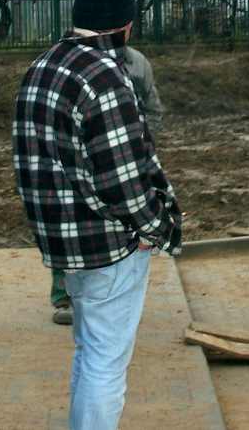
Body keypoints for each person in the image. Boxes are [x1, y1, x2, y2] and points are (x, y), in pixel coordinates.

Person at [13, 0, 181, 430]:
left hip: (62, 237)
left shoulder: (43, 65)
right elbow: (123, 176)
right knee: (106, 362)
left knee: (89, 352)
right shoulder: (106, 76)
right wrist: (157, 227)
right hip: (109, 243)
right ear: (125, 25)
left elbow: (28, 158)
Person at [50, 43, 163, 326]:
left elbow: (152, 107)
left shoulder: (137, 63)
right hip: (81, 158)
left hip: (123, 157)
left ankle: (113, 293)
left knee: (123, 222)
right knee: (72, 224)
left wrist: (141, 145)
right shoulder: (73, 65)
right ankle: (65, 295)